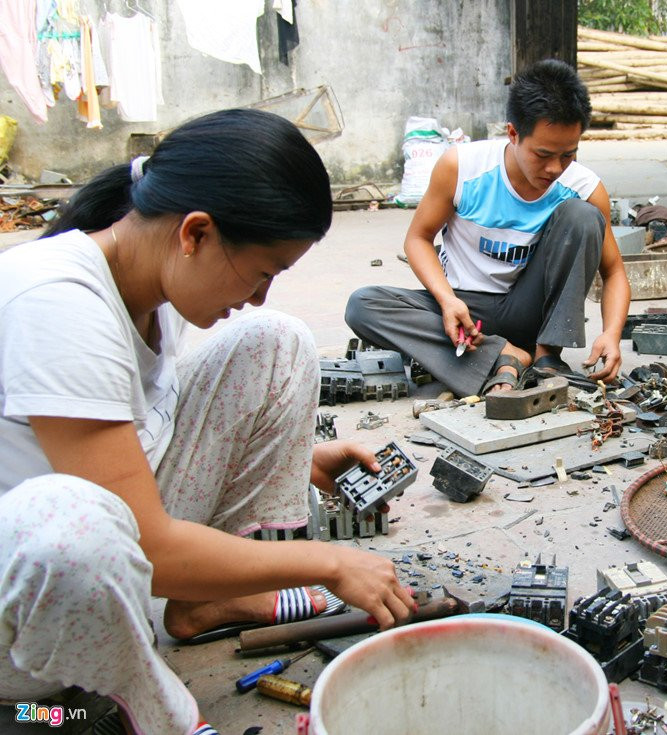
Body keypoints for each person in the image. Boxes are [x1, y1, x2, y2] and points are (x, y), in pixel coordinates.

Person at [0, 109, 415, 734]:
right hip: (29, 651)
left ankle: (196, 605)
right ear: (194, 233)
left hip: (111, 563)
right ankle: (141, 709)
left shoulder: (149, 284)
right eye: (263, 272)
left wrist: (296, 459)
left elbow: (134, 449)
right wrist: (329, 562)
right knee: (74, 532)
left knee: (275, 341)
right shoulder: (56, 304)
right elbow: (146, 543)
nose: (257, 295)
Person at [345, 59, 630, 398]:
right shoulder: (461, 167)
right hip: (465, 314)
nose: (555, 168)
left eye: (568, 155)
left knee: (582, 216)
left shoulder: (584, 187)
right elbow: (418, 239)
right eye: (542, 154)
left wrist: (611, 334)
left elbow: (614, 273)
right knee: (363, 305)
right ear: (513, 133)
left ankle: (545, 356)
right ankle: (505, 355)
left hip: (531, 313)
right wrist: (447, 301)